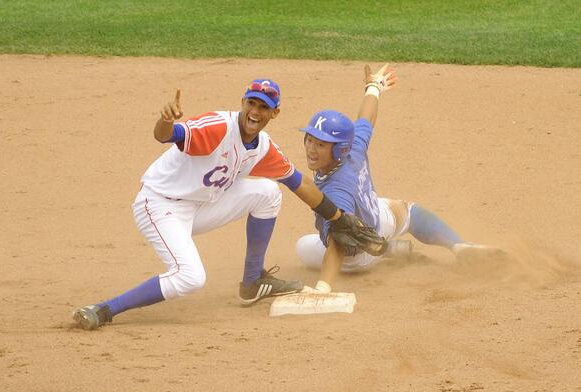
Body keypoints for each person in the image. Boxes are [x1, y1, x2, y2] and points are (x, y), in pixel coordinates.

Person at [73, 79, 378, 330]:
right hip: (159, 205)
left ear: (275, 113)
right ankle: (104, 309)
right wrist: (165, 121)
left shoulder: (263, 147)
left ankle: (252, 282)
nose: (255, 112)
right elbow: (166, 135)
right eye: (251, 103)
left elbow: (302, 184)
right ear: (243, 102)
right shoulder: (217, 127)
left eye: (264, 107)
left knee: (269, 193)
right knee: (190, 277)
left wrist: (338, 218)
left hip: (200, 206)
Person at [295, 64, 504, 293]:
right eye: (310, 139)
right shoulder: (354, 147)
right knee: (409, 211)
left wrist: (323, 287)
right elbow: (366, 118)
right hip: (379, 220)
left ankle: (385, 253)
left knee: (303, 246)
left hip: (356, 255)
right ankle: (458, 245)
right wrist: (374, 87)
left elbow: (338, 241)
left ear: (339, 149)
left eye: (321, 144)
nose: (311, 149)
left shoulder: (337, 191)